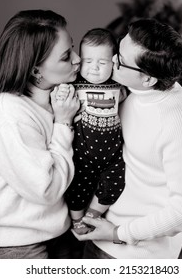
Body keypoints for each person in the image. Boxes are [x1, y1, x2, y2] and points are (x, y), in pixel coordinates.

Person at [72, 19, 182, 259]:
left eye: (120, 60)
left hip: (135, 255)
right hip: (98, 233)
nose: (112, 60)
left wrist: (119, 233)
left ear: (148, 79)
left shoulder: (180, 120)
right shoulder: (127, 91)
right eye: (118, 51)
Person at [0, 9, 81, 259]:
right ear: (36, 71)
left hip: (59, 235)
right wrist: (64, 124)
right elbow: (46, 189)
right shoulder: (10, 113)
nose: (78, 59)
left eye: (73, 49)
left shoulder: (59, 99)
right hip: (20, 246)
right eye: (66, 57)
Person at [58, 28, 126, 234]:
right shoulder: (73, 84)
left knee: (116, 182)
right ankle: (77, 218)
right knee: (76, 187)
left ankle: (93, 215)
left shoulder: (119, 84)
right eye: (88, 61)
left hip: (112, 154)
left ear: (113, 62)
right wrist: (61, 92)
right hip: (82, 153)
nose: (94, 69)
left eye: (102, 63)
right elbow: (59, 101)